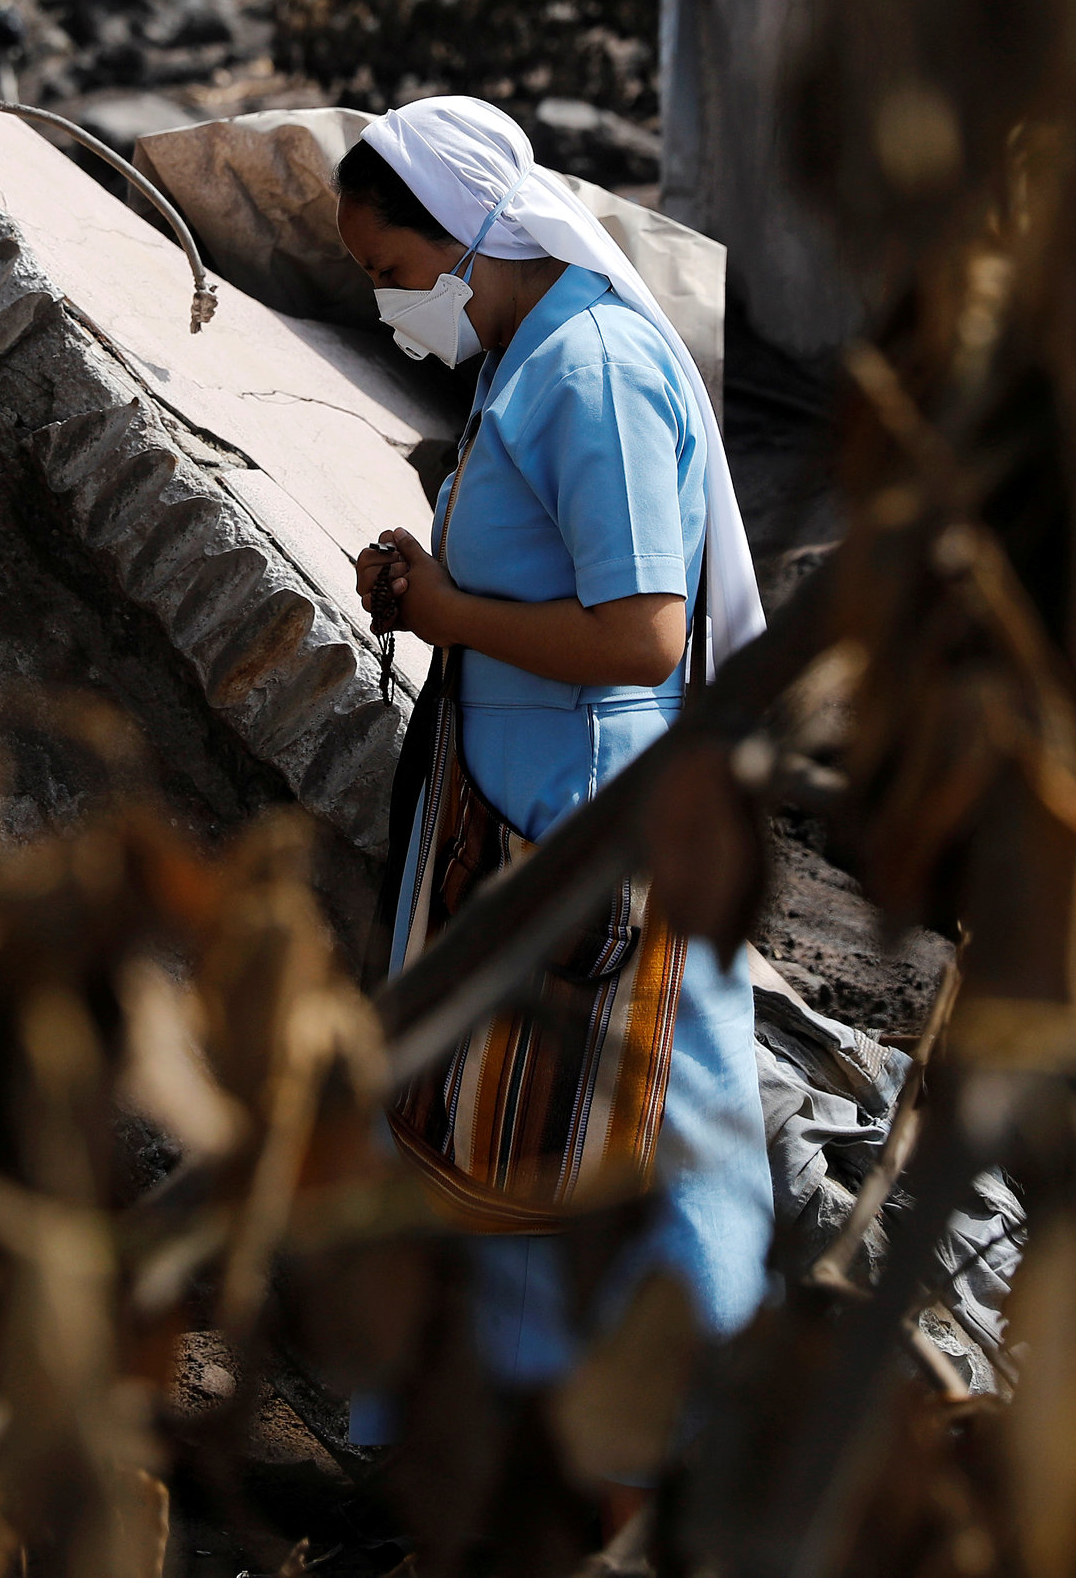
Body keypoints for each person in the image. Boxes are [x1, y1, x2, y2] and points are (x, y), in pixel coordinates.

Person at [333, 95, 772, 1450]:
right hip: (514, 809)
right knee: (507, 1125)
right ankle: (479, 1440)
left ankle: (708, 1429)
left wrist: (452, 617)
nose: (392, 306)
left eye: (395, 275)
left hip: (592, 829)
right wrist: (433, 583)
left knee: (654, 1120)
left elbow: (642, 630)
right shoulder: (528, 357)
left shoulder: (592, 368)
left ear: (469, 237)